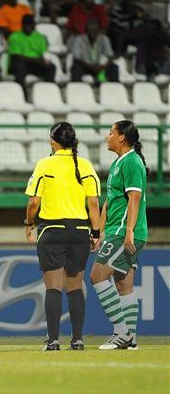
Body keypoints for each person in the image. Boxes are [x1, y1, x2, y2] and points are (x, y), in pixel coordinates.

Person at [25, 122, 101, 351]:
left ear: (53, 141)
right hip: (79, 232)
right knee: (75, 286)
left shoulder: (45, 164)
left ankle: (53, 340)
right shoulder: (86, 166)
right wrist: (96, 233)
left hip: (52, 231)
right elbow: (94, 202)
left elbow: (34, 201)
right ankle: (77, 339)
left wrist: (29, 223)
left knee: (53, 288)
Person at [90, 120, 149, 350]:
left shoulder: (132, 162)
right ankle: (131, 338)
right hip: (116, 230)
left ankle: (121, 332)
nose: (107, 137)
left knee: (97, 276)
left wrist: (129, 232)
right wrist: (100, 231)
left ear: (122, 137)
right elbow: (110, 202)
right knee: (124, 285)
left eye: (111, 132)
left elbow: (134, 198)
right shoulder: (119, 163)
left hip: (124, 231)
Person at [8, 14, 56, 96]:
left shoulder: (39, 37)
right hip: (21, 63)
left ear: (33, 25)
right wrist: (35, 60)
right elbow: (16, 56)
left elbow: (43, 53)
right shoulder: (14, 36)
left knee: (51, 67)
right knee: (19, 66)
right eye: (26, 25)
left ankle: (47, 94)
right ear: (22, 25)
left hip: (35, 63)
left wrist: (43, 61)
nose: (28, 27)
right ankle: (23, 96)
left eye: (30, 24)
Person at [70, 19, 118, 84]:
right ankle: (78, 90)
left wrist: (103, 67)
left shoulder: (104, 39)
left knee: (113, 67)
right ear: (86, 31)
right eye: (90, 31)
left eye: (95, 31)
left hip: (99, 67)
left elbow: (111, 57)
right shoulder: (79, 39)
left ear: (98, 30)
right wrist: (91, 67)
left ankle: (111, 88)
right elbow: (77, 59)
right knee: (75, 69)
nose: (92, 33)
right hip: (85, 66)